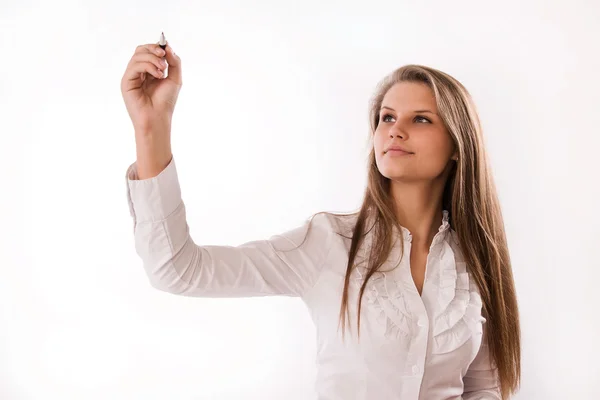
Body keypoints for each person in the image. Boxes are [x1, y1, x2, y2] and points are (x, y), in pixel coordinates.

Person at [120, 40, 521, 399]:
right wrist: (152, 128)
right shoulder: (328, 242)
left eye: (420, 119)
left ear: (457, 145)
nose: (395, 131)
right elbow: (178, 270)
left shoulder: (473, 258)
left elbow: (482, 388)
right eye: (386, 117)